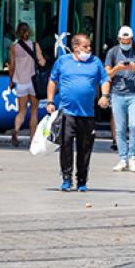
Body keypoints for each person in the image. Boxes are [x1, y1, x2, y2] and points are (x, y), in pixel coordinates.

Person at [46, 34, 110, 192]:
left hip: (87, 114)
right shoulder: (63, 61)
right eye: (86, 46)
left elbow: (105, 80)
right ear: (75, 47)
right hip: (67, 113)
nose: (89, 49)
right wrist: (50, 102)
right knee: (66, 146)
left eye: (89, 46)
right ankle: (66, 178)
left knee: (85, 148)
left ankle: (82, 180)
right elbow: (52, 80)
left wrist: (104, 96)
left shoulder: (95, 62)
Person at [105, 26, 135, 173]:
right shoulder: (112, 52)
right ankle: (123, 158)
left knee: (134, 125)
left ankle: (133, 157)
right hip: (117, 94)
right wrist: (117, 68)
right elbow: (107, 75)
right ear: (119, 39)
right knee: (120, 128)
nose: (126, 42)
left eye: (128, 40)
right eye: (123, 40)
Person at [8, 22, 47, 147]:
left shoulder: (14, 47)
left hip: (20, 82)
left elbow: (12, 66)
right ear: (29, 32)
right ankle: (32, 139)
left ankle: (16, 129)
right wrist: (43, 60)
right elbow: (41, 63)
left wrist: (11, 81)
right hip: (33, 83)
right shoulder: (35, 45)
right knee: (34, 111)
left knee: (22, 111)